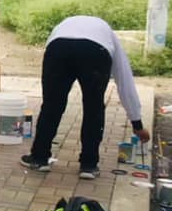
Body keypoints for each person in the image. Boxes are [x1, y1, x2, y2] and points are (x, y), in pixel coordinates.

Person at [20, 15, 151, 179]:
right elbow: (124, 80)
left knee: (52, 104)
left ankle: (39, 158)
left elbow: (51, 50)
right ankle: (89, 165)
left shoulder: (62, 26)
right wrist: (137, 124)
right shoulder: (107, 34)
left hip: (58, 48)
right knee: (94, 107)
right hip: (95, 52)